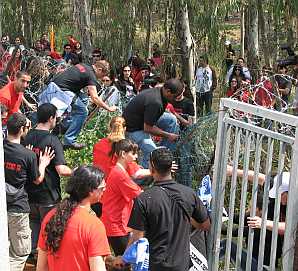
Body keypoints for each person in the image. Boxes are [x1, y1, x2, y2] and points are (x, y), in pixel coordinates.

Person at [117, 148, 210, 271]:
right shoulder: (189, 194)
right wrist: (188, 218)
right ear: (171, 167)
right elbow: (205, 225)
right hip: (182, 265)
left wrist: (124, 259)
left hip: (155, 264)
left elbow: (137, 238)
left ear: (152, 167)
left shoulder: (144, 199)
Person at [36, 166, 111, 271]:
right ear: (90, 191)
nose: (105, 190)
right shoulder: (94, 225)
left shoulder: (51, 216)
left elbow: (41, 267)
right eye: (102, 188)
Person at [4, 112, 53, 271]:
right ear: (22, 129)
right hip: (17, 207)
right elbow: (37, 179)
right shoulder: (28, 155)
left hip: (2, 205)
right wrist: (43, 164)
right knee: (19, 253)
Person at [23, 103, 73, 259]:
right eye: (55, 117)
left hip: (29, 194)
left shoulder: (27, 136)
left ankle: (32, 260)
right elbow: (61, 169)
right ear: (51, 118)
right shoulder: (52, 140)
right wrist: (76, 171)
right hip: (48, 196)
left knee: (34, 227)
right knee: (50, 232)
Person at [39, 61, 116, 150]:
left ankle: (63, 125)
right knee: (82, 112)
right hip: (61, 91)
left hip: (55, 86)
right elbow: (95, 98)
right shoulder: (91, 75)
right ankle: (69, 140)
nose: (101, 78)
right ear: (99, 69)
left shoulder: (84, 65)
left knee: (84, 99)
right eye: (102, 75)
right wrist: (109, 108)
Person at [123, 78, 182, 168]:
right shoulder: (155, 102)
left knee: (171, 120)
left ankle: (163, 153)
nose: (175, 100)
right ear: (168, 91)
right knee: (152, 155)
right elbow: (148, 128)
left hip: (143, 118)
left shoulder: (160, 91)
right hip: (133, 128)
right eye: (174, 97)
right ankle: (140, 180)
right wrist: (168, 135)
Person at [101, 139, 142, 259]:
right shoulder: (120, 174)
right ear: (123, 154)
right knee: (124, 262)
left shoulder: (118, 170)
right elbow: (139, 194)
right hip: (116, 225)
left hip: (115, 222)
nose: (136, 156)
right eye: (133, 153)